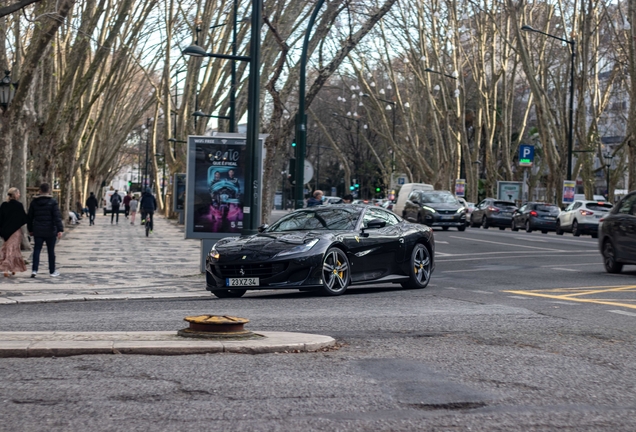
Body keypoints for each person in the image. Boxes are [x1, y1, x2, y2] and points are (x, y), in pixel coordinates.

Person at [27, 183, 64, 278]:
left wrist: (30, 229)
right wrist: (60, 229)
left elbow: (30, 217)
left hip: (38, 230)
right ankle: (52, 271)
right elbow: (57, 217)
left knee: (37, 250)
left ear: (40, 191)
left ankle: (34, 270)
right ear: (49, 191)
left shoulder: (34, 202)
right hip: (50, 230)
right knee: (51, 251)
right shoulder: (53, 202)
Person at [0, 188, 28, 277]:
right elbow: (23, 218)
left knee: (8, 248)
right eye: (18, 193)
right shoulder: (19, 205)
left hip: (5, 231)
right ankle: (6, 268)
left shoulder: (4, 205)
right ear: (15, 194)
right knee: (13, 249)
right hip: (15, 231)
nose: (19, 195)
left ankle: (12, 268)